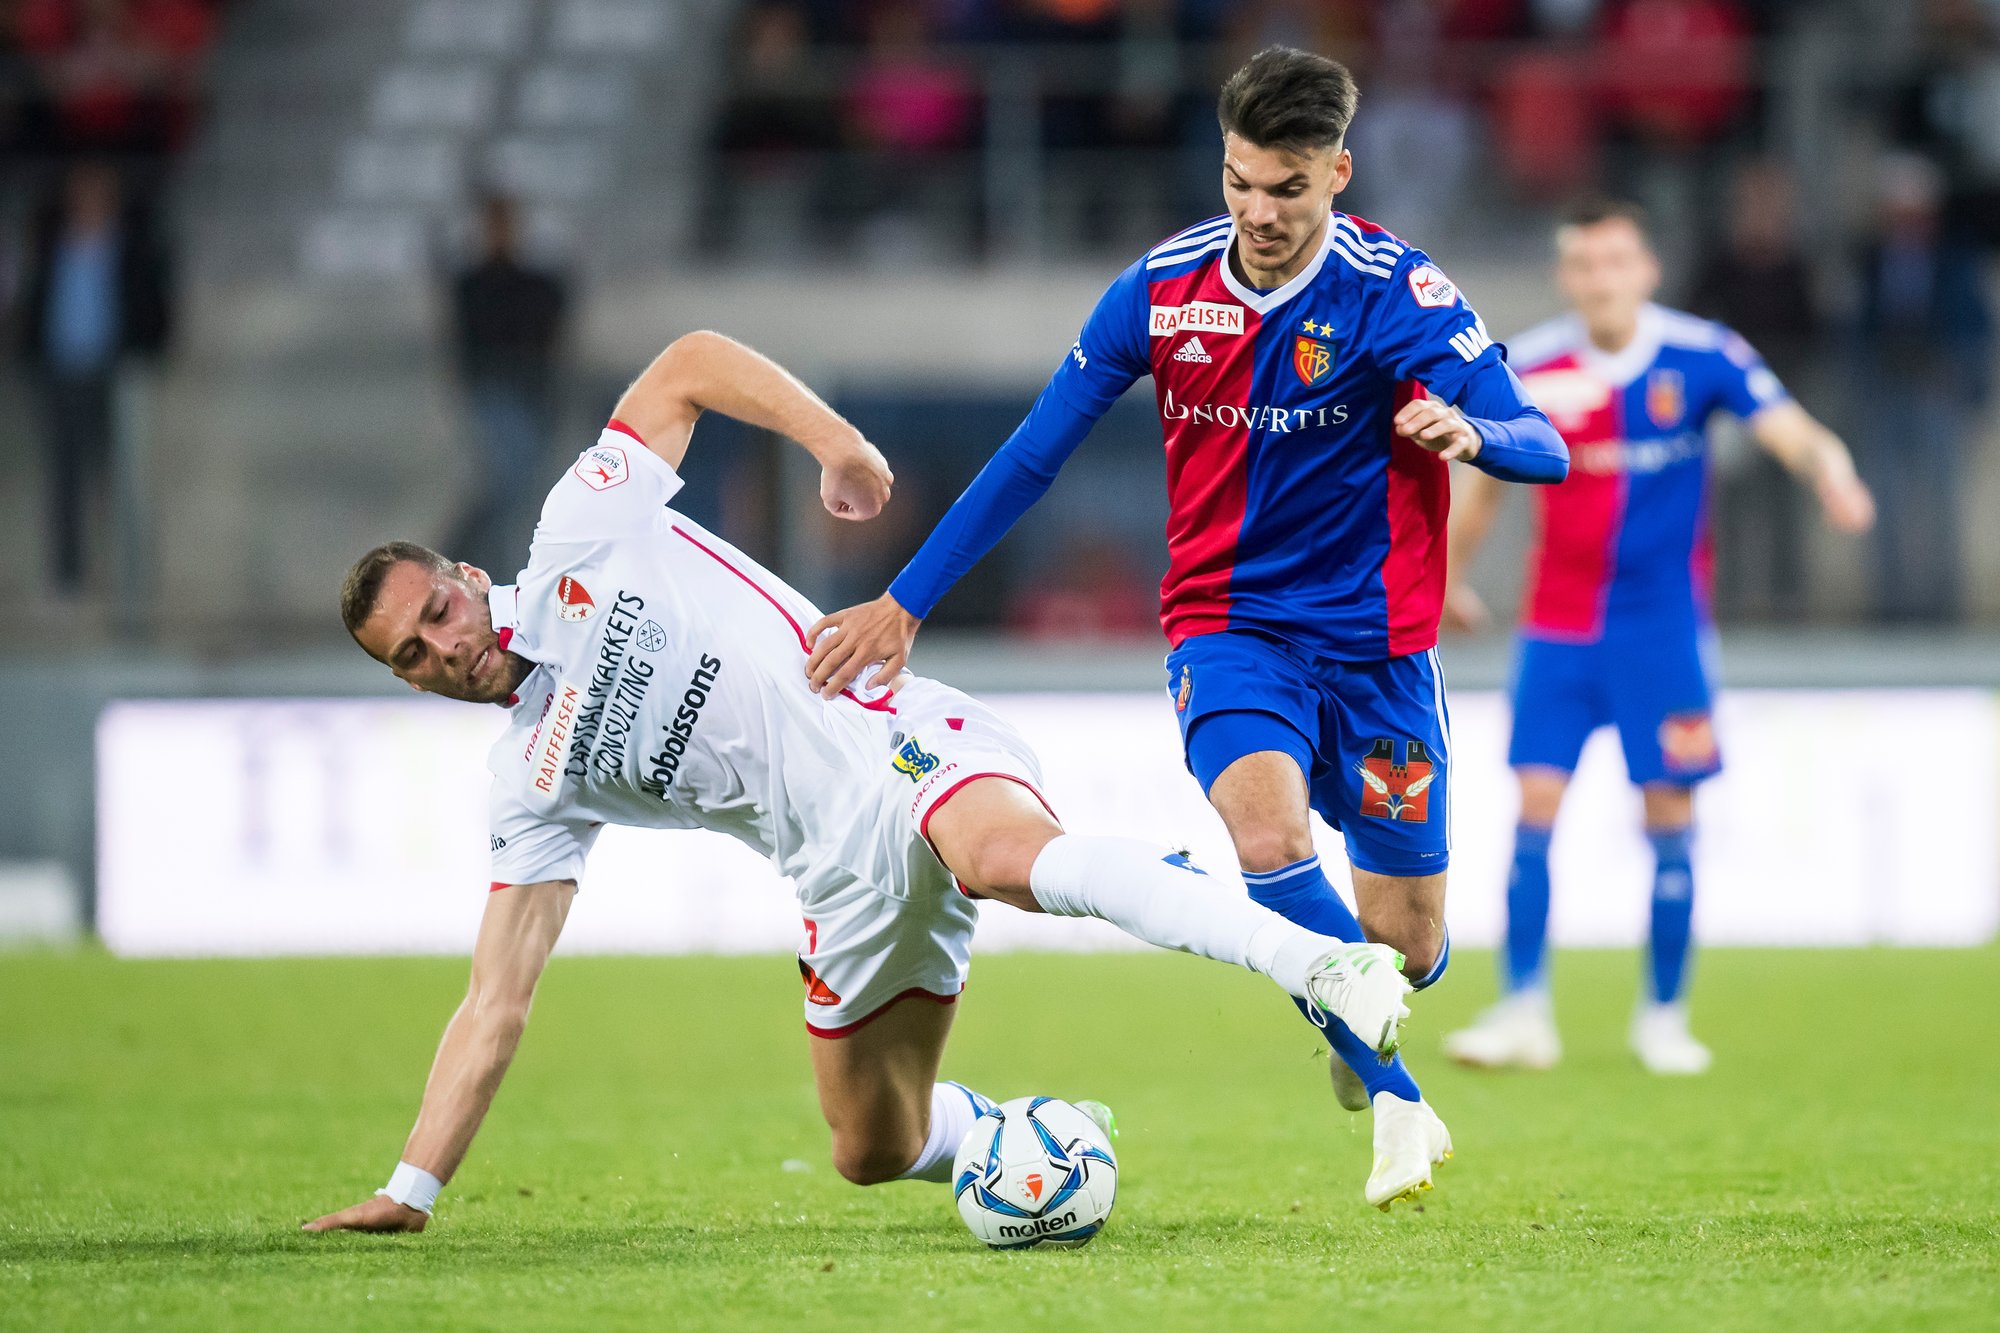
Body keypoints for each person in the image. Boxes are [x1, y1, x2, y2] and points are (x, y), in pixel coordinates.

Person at [302, 330, 1416, 1235]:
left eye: (435, 613)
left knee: (999, 860)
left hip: (887, 738)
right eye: (408, 654)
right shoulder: (526, 785)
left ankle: (1310, 962)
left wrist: (834, 444)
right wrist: (412, 1189)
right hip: (833, 878)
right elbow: (497, 1000)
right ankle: (1017, 1134)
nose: (438, 648)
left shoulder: (576, 537)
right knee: (868, 1149)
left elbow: (687, 362)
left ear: (467, 578)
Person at [802, 46, 1569, 1208]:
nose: (1257, 213)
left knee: (1407, 946)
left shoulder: (1397, 295)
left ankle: (1352, 1013)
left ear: (1338, 175)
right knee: (1262, 840)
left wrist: (1474, 436)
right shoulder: (1160, 290)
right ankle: (1398, 1097)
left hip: (1378, 651)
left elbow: (1542, 440)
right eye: (1238, 182)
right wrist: (906, 599)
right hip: (1227, 629)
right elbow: (1031, 456)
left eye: (1286, 188)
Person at [1440, 199, 1875, 1076]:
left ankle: (1663, 1016)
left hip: (1663, 629)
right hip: (1559, 626)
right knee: (1533, 810)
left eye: (1617, 262)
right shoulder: (1530, 367)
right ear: (1569, 279)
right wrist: (1447, 577)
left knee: (1670, 815)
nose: (1602, 280)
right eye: (1585, 266)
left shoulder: (1703, 354)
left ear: (1647, 272)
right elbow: (1481, 483)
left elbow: (1788, 427)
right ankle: (1525, 1010)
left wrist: (1835, 473)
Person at [16, 159, 173, 596]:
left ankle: (127, 576)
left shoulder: (131, 246)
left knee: (121, 478)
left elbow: (153, 305)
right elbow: (35, 300)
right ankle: (68, 580)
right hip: (61, 372)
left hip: (114, 376)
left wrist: (146, 352)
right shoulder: (53, 244)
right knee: (64, 482)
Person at [444, 194, 568, 577]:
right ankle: (475, 560)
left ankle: (465, 559)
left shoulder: (529, 280)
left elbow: (551, 318)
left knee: (515, 489)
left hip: (530, 393)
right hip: (494, 391)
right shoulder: (472, 281)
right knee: (509, 483)